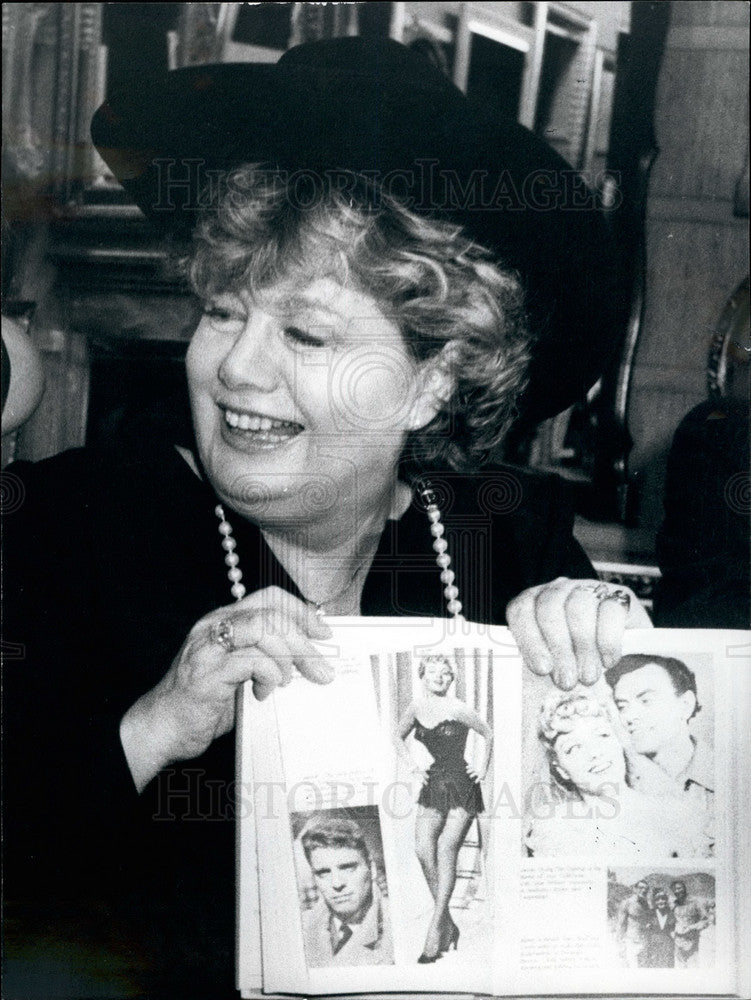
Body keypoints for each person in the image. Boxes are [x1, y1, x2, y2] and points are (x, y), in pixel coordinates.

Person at [3, 37, 648, 997]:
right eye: (224, 312)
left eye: (305, 332)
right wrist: (153, 727)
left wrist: (618, 672)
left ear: (432, 382)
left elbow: (631, 876)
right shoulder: (62, 531)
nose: (237, 369)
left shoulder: (510, 544)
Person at [523, 691, 711, 857]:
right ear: (561, 769)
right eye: (574, 748)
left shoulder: (675, 814)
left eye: (602, 736)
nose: (595, 753)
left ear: (618, 742)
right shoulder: (555, 829)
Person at [395, 654, 492, 962]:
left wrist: (483, 769)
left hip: (462, 782)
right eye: (433, 672)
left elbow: (488, 734)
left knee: (446, 848)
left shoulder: (460, 708)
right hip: (435, 780)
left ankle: (435, 930)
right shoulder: (415, 707)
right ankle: (449, 923)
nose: (439, 677)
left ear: (452, 679)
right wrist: (412, 767)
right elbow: (397, 736)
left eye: (445, 673)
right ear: (423, 676)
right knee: (423, 849)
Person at [605, 655, 714, 832]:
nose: (629, 717)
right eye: (623, 706)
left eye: (645, 701)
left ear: (686, 705)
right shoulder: (617, 783)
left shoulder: (730, 777)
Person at [298, 816, 393, 968]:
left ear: (372, 869)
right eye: (323, 872)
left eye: (348, 868)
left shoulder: (397, 926)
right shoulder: (298, 929)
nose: (337, 884)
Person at [615, 880, 654, 968]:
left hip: (644, 942)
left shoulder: (646, 905)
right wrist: (620, 946)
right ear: (634, 889)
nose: (644, 890)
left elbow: (648, 921)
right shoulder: (627, 903)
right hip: (631, 942)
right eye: (641, 888)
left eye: (646, 889)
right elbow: (621, 925)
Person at [671, 879, 709, 969]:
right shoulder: (674, 904)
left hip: (692, 944)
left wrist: (691, 927)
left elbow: (706, 920)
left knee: (692, 970)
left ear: (684, 888)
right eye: (674, 890)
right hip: (677, 944)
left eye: (679, 888)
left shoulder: (695, 902)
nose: (677, 891)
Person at [646, 888, 676, 968]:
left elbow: (673, 931)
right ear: (654, 901)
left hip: (668, 947)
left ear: (666, 900)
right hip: (653, 947)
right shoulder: (650, 914)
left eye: (663, 898)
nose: (661, 901)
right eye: (657, 899)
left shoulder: (672, 914)